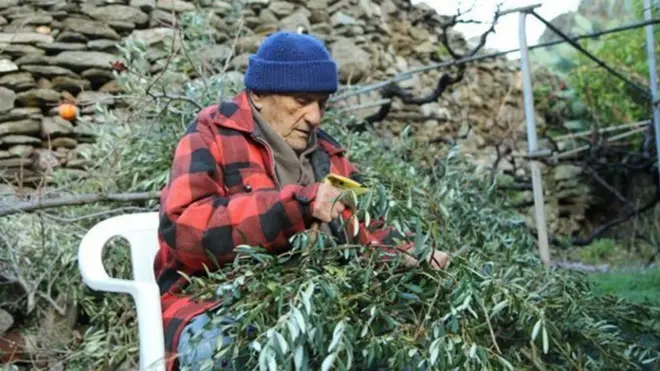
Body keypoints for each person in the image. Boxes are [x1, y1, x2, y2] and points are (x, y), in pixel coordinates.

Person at [153, 31, 450, 371]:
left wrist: (412, 254)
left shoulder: (329, 155)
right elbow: (184, 230)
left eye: (322, 103)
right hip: (214, 303)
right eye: (301, 99)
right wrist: (298, 206)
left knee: (401, 351)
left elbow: (366, 227)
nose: (315, 117)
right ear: (260, 93)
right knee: (235, 356)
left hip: (308, 301)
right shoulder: (211, 133)